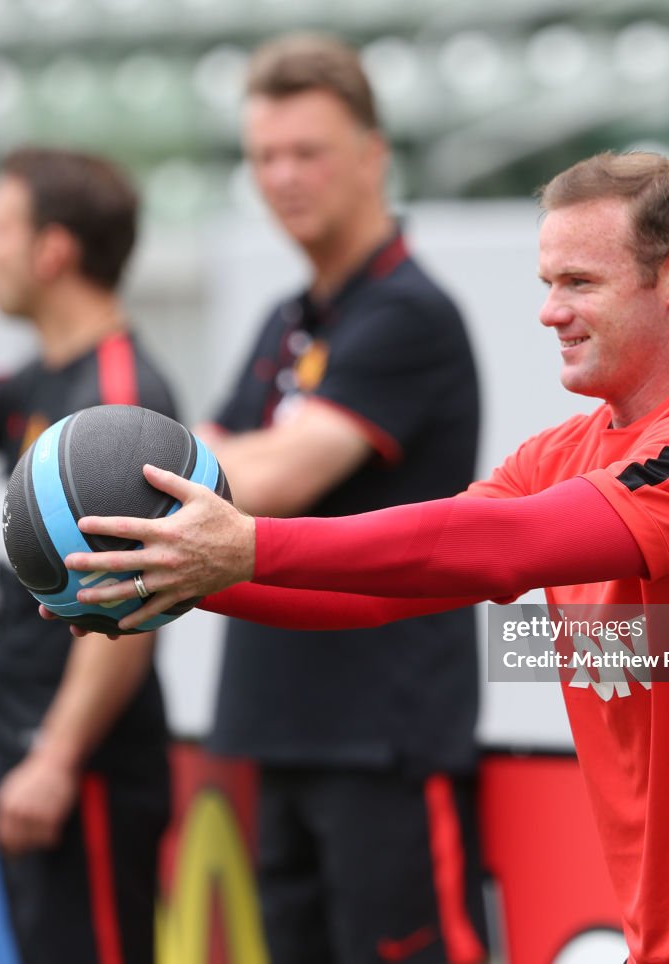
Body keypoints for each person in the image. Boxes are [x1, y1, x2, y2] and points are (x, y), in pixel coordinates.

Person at [66, 150, 669, 963]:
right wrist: (173, 575)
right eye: (547, 284)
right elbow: (391, 588)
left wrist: (244, 545)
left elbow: (500, 549)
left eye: (579, 282)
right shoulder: (562, 455)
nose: (549, 312)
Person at [192, 34, 486, 964]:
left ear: (373, 154)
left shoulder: (409, 311)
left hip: (384, 738)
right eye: (265, 157)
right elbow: (210, 455)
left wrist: (173, 467)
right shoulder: (288, 321)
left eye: (307, 152)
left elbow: (268, 475)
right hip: (279, 726)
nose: (284, 176)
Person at [0, 147, 172, 964]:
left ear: (54, 251)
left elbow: (136, 599)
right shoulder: (37, 378)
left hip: (83, 767)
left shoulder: (119, 394)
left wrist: (55, 760)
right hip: (35, 750)